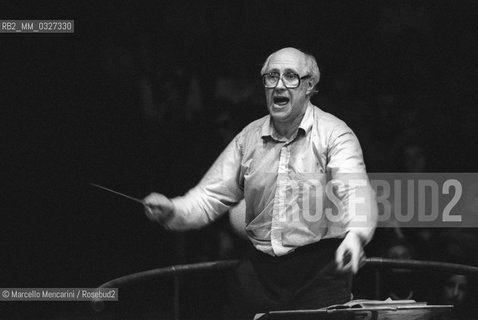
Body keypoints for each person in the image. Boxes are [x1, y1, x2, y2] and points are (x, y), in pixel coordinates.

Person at [143, 47, 377, 317]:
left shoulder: (334, 134)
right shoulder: (248, 138)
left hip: (319, 272)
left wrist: (357, 235)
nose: (279, 85)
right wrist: (173, 210)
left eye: (290, 76)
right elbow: (209, 197)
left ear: (309, 85)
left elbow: (355, 188)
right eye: (271, 76)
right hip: (259, 274)